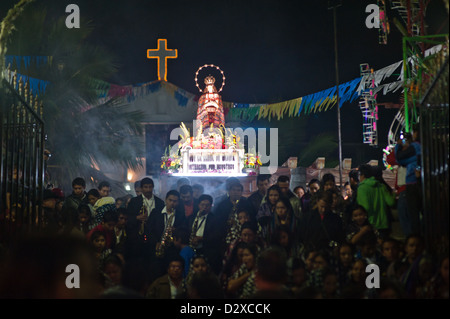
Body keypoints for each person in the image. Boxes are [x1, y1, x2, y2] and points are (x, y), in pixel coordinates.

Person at [148, 190, 187, 280]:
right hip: (157, 248)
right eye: (170, 200)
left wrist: (176, 231)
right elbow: (149, 230)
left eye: (175, 201)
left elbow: (184, 230)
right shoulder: (156, 212)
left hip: (172, 249)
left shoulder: (180, 215)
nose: (172, 203)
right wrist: (156, 242)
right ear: (165, 200)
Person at [125, 177, 165, 265]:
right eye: (145, 187)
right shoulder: (134, 201)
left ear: (153, 187)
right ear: (141, 188)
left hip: (154, 239)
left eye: (150, 187)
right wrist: (137, 218)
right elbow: (127, 219)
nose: (148, 189)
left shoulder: (160, 203)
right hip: (137, 240)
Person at [394, 125, 422, 236]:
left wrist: (398, 146)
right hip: (419, 181)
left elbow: (399, 158)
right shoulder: (423, 147)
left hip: (412, 183)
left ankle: (415, 238)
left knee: (412, 214)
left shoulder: (415, 146)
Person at [356, 164, 396, 240]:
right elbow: (391, 202)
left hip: (370, 226)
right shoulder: (381, 186)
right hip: (384, 224)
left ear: (362, 175)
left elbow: (364, 208)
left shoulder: (362, 188)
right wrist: (394, 194)